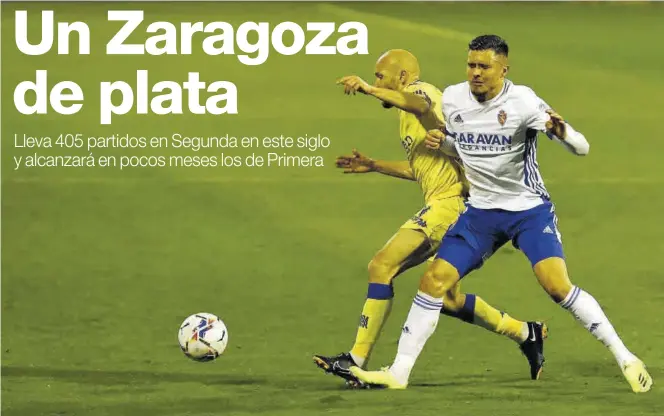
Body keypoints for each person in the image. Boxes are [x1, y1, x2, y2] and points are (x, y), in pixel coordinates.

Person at [349, 35, 653, 393]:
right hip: (480, 212)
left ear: (503, 69)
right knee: (433, 283)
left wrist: (561, 130)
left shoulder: (523, 101)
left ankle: (626, 358)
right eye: (471, 65)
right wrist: (444, 143)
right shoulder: (454, 99)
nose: (475, 73)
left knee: (557, 286)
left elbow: (582, 147)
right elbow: (464, 145)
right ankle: (398, 373)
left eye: (484, 66)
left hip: (527, 210)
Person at [313, 49, 547, 387]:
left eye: (382, 77)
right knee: (448, 299)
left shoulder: (422, 93)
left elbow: (420, 104)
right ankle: (527, 333)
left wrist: (366, 88)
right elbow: (423, 169)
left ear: (403, 78)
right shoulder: (410, 113)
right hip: (457, 205)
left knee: (382, 265)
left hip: (451, 205)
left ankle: (356, 360)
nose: (379, 82)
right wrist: (376, 165)